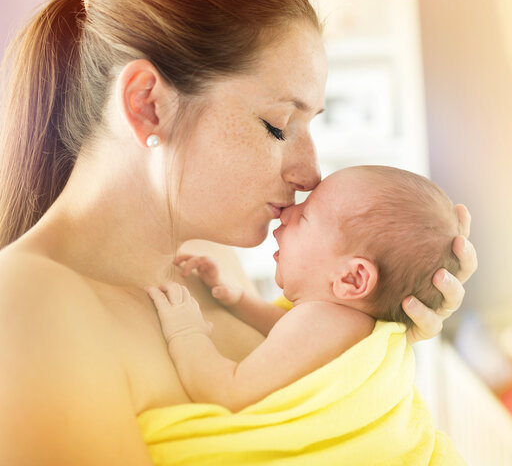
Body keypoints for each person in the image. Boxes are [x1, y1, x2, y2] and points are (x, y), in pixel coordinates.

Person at [0, 0, 477, 466]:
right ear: (147, 105)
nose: (310, 173)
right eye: (277, 126)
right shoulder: (28, 309)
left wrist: (373, 340)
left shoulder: (210, 261)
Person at [145, 165, 461, 412]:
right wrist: (238, 299)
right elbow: (288, 336)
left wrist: (186, 332)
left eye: (305, 216)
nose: (287, 212)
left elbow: (228, 392)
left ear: (352, 279)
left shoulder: (329, 325)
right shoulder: (345, 324)